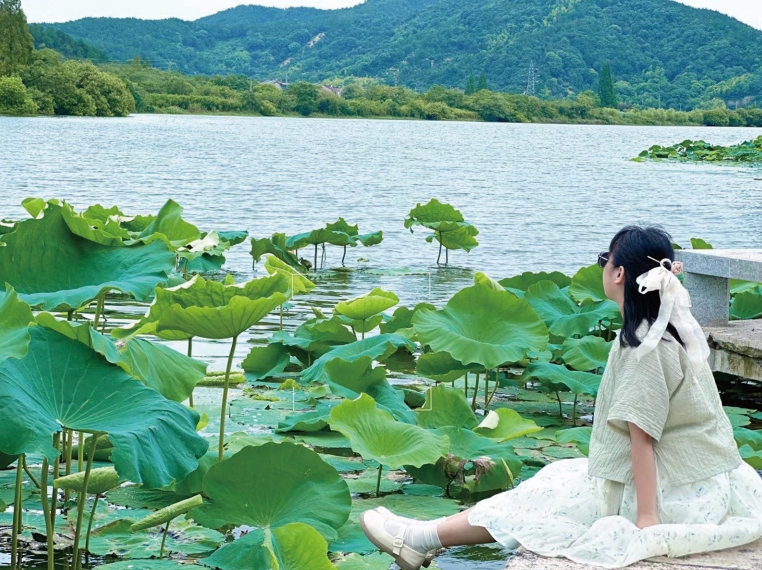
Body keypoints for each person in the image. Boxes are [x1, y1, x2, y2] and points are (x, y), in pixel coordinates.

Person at [361, 225, 762, 570]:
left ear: (620, 273)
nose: (602, 265)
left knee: (546, 497)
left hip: (672, 492)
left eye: (606, 258)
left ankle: (419, 538)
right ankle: (423, 536)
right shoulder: (669, 329)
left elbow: (643, 438)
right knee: (554, 482)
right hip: (707, 479)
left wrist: (647, 521)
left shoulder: (644, 346)